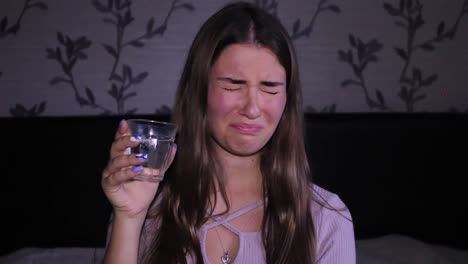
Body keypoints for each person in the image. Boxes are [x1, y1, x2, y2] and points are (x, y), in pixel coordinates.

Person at [101, 2, 355, 263]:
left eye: (269, 87)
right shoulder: (150, 208)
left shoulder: (327, 217)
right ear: (199, 90)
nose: (252, 108)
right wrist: (129, 219)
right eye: (234, 85)